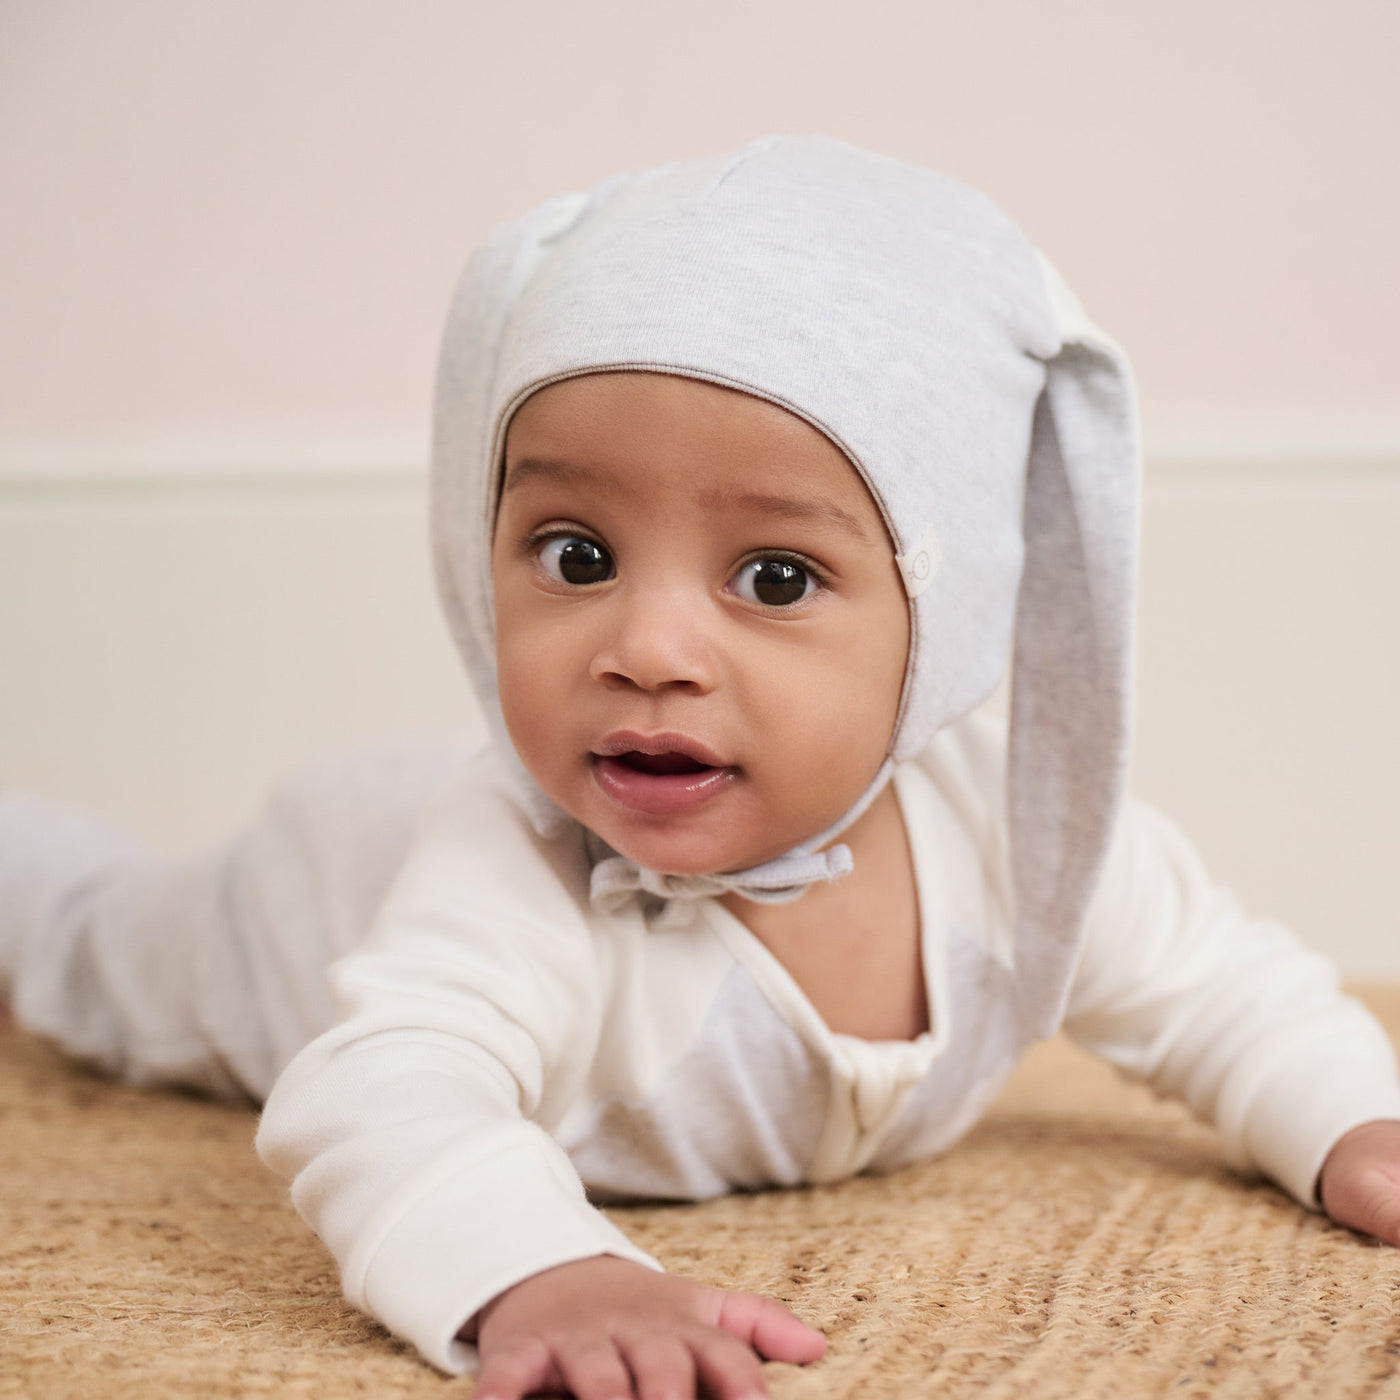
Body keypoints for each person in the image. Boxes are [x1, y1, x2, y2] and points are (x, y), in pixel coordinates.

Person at [3, 135, 1400, 1400]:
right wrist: (541, 1267)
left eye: (776, 576)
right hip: (304, 899)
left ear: (950, 616)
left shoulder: (1017, 831)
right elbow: (377, 1090)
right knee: (79, 939)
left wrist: (1353, 1121)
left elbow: (1225, 993)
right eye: (577, 556)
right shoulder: (513, 863)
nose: (647, 647)